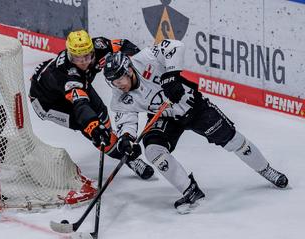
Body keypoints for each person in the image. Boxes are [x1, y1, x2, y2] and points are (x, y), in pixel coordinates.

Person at [102, 40, 289, 214]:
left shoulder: (144, 59)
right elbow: (126, 121)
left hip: (193, 107)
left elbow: (174, 46)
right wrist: (126, 139)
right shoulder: (119, 98)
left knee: (233, 141)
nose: (118, 86)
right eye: (114, 82)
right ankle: (190, 191)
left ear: (129, 71)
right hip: (165, 116)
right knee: (153, 150)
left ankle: (265, 169)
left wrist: (171, 75)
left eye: (120, 80)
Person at [29, 29, 154, 180]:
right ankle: (130, 160)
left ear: (92, 50)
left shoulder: (99, 45)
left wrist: (136, 65)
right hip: (47, 102)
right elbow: (81, 105)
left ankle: (117, 141)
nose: (83, 62)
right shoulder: (68, 75)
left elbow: (125, 45)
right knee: (91, 129)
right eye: (77, 58)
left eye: (87, 56)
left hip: (76, 86)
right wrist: (93, 126)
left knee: (101, 111)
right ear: (70, 55)